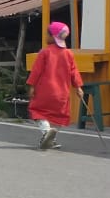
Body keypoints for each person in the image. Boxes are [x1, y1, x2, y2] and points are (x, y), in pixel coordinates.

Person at [27, 21, 84, 150]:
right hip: (62, 94)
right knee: (59, 115)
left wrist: (31, 86)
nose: (46, 37)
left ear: (53, 36)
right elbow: (74, 72)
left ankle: (47, 133)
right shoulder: (69, 54)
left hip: (44, 92)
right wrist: (78, 88)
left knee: (37, 112)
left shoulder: (44, 52)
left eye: (47, 34)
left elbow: (36, 71)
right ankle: (51, 139)